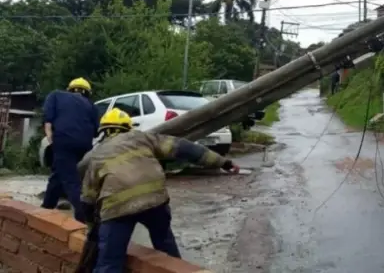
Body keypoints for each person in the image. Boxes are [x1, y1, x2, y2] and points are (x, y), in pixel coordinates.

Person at [78, 108, 240, 273]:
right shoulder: (143, 137)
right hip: (155, 201)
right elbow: (185, 149)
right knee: (165, 246)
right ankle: (176, 268)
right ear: (128, 127)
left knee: (109, 261)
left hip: (117, 209)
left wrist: (92, 228)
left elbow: (88, 200)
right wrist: (224, 163)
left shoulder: (96, 156)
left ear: (103, 132)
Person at [41, 77, 99, 223]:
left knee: (71, 181)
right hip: (85, 146)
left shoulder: (56, 95)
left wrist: (50, 138)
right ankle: (46, 207)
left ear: (70, 89)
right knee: (59, 175)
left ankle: (84, 217)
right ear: (87, 92)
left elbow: (48, 120)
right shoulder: (91, 106)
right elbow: (96, 131)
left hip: (64, 141)